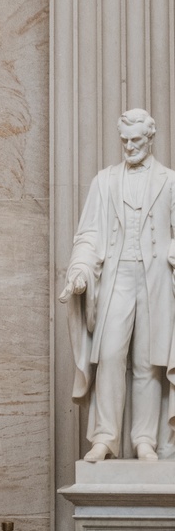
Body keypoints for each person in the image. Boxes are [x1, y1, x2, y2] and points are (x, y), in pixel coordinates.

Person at [60, 108, 175, 461]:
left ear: (150, 139)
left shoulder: (170, 181)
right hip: (115, 278)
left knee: (148, 361)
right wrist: (79, 270)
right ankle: (106, 437)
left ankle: (144, 439)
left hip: (156, 278)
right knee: (109, 354)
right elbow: (89, 233)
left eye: (136, 140)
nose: (129, 147)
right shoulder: (104, 181)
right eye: (124, 141)